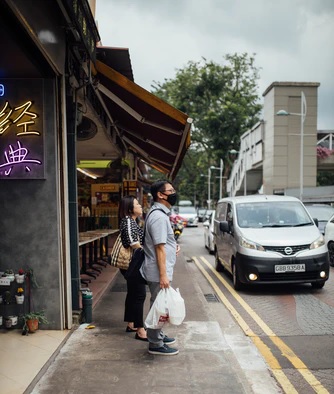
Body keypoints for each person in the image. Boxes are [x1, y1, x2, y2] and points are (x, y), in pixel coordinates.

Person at [140, 180, 180, 355]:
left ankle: (158, 335)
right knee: (159, 306)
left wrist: (173, 247)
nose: (174, 192)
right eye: (170, 190)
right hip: (158, 272)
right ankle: (155, 344)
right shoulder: (158, 216)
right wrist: (163, 275)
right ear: (160, 195)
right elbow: (159, 247)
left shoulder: (159, 214)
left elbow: (164, 244)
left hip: (159, 270)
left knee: (159, 304)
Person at [119, 195, 147, 341]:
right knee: (139, 294)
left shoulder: (133, 221)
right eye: (137, 204)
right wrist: (146, 251)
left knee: (133, 293)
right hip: (133, 263)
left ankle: (132, 323)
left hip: (133, 262)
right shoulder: (128, 221)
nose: (140, 206)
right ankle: (140, 330)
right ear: (130, 209)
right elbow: (132, 242)